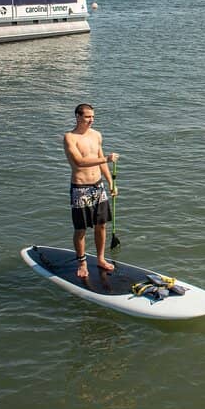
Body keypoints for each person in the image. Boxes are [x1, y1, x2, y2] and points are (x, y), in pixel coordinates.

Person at [63, 103, 119, 279]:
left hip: (98, 186)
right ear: (78, 116)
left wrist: (111, 183)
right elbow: (79, 162)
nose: (91, 120)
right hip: (81, 188)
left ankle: (100, 259)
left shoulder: (96, 135)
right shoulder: (70, 138)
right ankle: (82, 262)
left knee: (101, 225)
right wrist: (107, 158)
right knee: (81, 229)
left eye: (93, 116)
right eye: (88, 116)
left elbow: (100, 160)